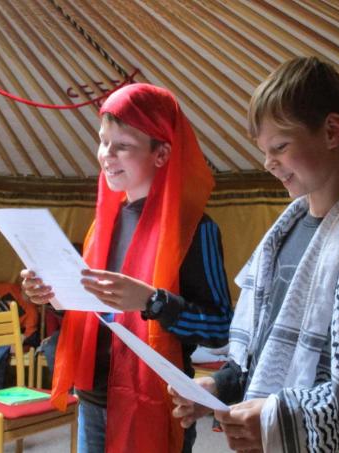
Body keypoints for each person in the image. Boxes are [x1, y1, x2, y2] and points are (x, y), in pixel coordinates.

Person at [169, 56, 339, 452]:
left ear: (331, 131)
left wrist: (275, 415)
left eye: (280, 146)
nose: (268, 163)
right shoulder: (284, 232)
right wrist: (218, 385)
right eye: (264, 150)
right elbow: (263, 350)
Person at [21, 83, 233, 453]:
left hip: (155, 402)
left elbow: (220, 327)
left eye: (123, 145)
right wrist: (54, 295)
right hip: (92, 396)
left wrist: (154, 302)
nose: (107, 155)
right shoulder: (103, 224)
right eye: (103, 142)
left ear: (162, 153)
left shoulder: (196, 229)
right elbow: (93, 306)